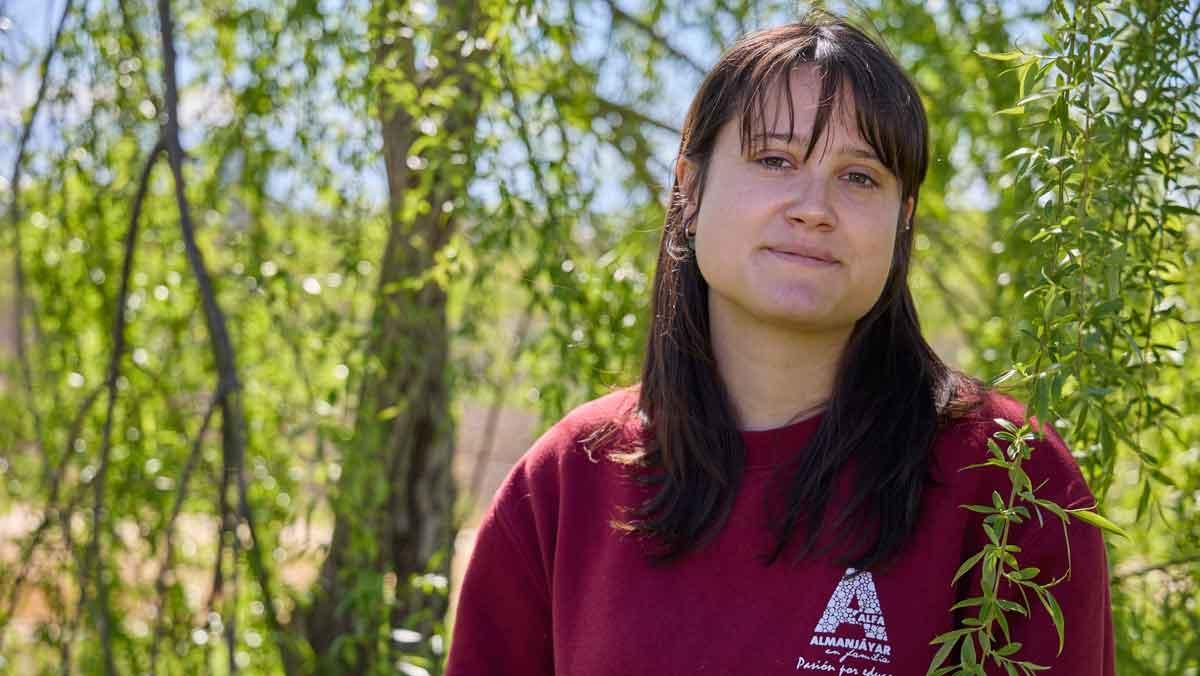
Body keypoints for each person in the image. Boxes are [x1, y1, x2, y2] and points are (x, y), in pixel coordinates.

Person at [446, 14, 1114, 676]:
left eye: (860, 177)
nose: (813, 206)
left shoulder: (1007, 481)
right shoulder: (565, 483)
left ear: (902, 218)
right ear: (689, 186)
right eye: (774, 159)